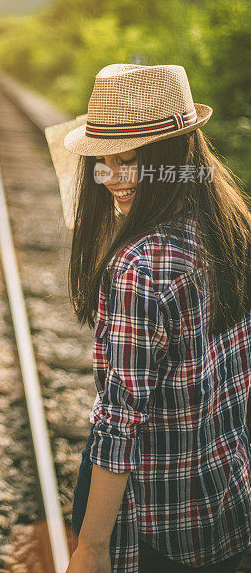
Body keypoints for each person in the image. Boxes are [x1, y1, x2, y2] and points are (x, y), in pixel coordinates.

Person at [45, 63, 251, 573]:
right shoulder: (231, 223)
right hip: (232, 494)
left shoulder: (140, 267)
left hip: (163, 519)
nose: (110, 178)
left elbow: (119, 421)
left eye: (130, 160)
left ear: (170, 155)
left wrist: (91, 548)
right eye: (103, 161)